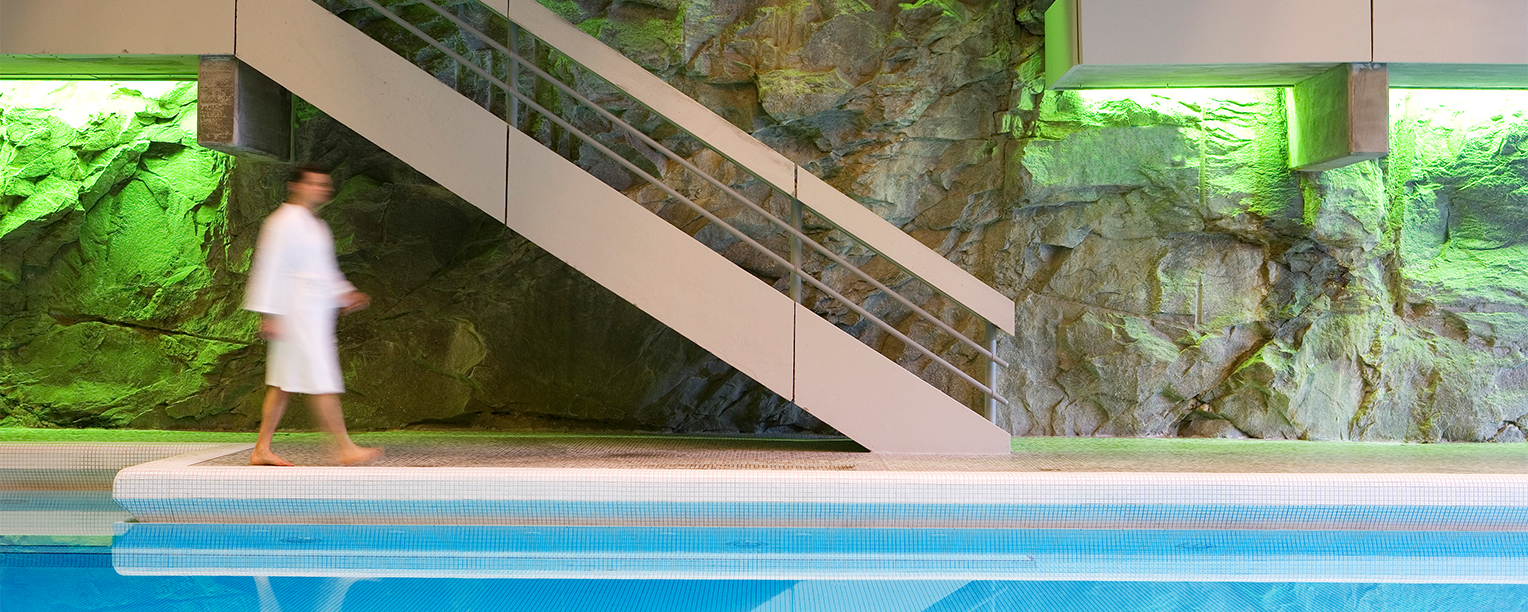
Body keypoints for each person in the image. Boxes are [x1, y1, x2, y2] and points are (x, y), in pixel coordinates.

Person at [244, 164, 382, 466]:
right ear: (295, 186)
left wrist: (344, 293)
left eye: (324, 185)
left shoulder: (316, 226)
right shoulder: (281, 222)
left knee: (282, 383)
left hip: (313, 313)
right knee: (320, 376)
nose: (321, 189)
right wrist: (269, 315)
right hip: (294, 312)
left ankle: (261, 449)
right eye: (314, 184)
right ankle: (345, 448)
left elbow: (325, 270)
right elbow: (268, 268)